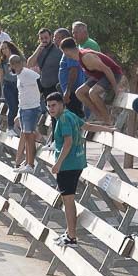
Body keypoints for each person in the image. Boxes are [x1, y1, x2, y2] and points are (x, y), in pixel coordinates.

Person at [47, 93, 90, 246]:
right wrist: (107, 129)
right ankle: (69, 232)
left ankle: (72, 237)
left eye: (54, 105)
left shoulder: (63, 119)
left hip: (67, 166)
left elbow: (68, 142)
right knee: (69, 201)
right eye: (49, 106)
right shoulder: (70, 114)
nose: (51, 109)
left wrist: (58, 163)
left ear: (61, 105)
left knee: (68, 202)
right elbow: (87, 126)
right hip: (77, 163)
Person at [60, 37, 124, 126]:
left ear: (66, 50)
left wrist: (115, 88)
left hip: (113, 73)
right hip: (99, 76)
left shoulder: (86, 57)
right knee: (79, 92)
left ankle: (108, 120)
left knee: (93, 93)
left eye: (64, 52)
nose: (65, 55)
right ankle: (100, 117)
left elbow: (107, 69)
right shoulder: (78, 57)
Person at [9, 54, 43, 171]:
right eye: (13, 64)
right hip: (23, 108)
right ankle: (27, 162)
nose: (15, 66)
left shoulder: (28, 73)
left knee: (29, 136)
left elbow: (40, 82)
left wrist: (37, 99)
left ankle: (30, 164)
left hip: (31, 108)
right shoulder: (18, 76)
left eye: (17, 63)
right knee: (26, 135)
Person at [27, 27, 63, 98]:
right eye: (41, 39)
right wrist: (37, 50)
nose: (44, 40)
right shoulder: (39, 50)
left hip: (56, 86)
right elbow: (29, 64)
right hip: (45, 87)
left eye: (46, 38)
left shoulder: (58, 49)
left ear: (51, 37)